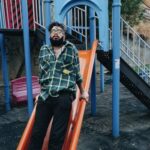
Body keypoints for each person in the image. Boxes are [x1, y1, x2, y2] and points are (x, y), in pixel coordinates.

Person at [28, 22, 89, 150]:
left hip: (63, 96)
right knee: (37, 133)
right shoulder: (44, 50)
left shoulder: (71, 49)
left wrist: (83, 91)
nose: (56, 33)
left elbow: (76, 72)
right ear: (50, 35)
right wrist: (40, 92)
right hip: (45, 95)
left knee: (56, 136)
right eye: (53, 31)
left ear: (64, 35)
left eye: (59, 31)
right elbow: (43, 74)